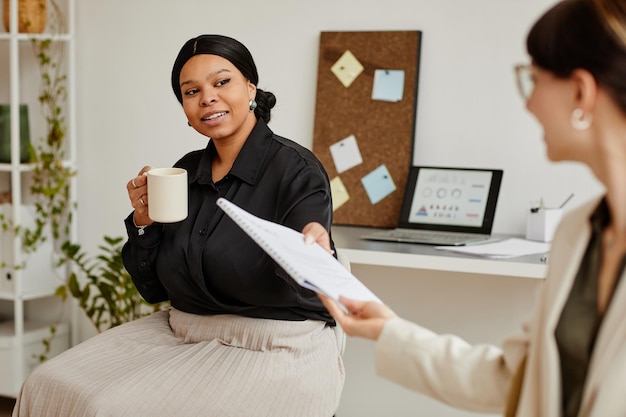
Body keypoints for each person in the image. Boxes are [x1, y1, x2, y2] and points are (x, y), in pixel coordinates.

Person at [314, 0, 626, 416]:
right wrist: (389, 330)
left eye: (533, 79)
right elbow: (512, 379)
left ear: (581, 91)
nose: (529, 103)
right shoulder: (577, 233)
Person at [12, 34, 344, 417]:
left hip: (273, 341)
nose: (207, 98)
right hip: (180, 330)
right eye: (191, 91)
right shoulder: (184, 172)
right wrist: (143, 224)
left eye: (222, 82)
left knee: (108, 408)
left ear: (250, 87)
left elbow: (312, 275)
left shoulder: (296, 171)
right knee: (44, 386)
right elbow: (152, 289)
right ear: (185, 108)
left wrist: (312, 257)